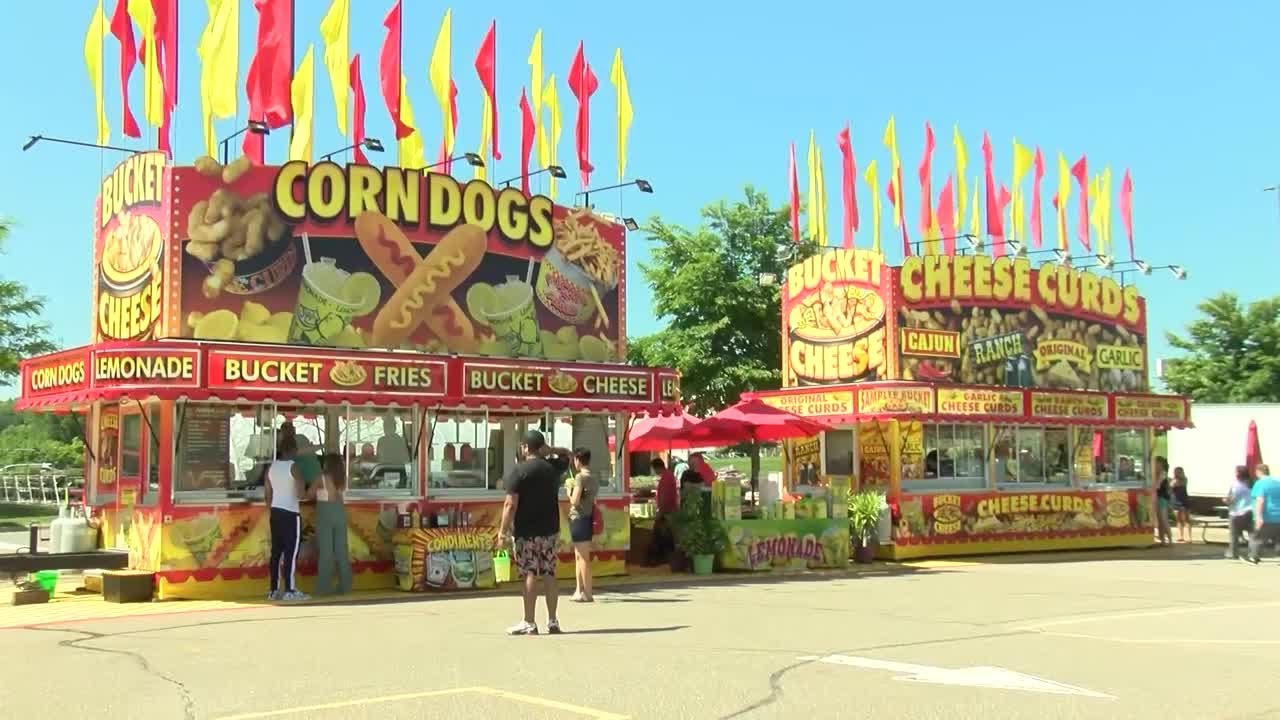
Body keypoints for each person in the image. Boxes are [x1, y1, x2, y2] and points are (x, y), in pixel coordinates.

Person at [497, 429, 563, 635]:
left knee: (530, 573)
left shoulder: (519, 471)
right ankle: (553, 621)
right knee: (550, 573)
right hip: (550, 530)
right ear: (541, 448)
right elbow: (568, 454)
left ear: (525, 447)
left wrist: (502, 532)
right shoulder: (553, 468)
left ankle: (529, 622)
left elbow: (510, 505)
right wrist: (550, 450)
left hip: (527, 532)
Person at [265, 430, 312, 601]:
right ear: (294, 450)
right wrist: (312, 491)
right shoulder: (294, 467)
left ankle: (273, 590)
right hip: (291, 514)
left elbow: (267, 494)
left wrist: (274, 507)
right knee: (291, 553)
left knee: (276, 553)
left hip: (275, 513)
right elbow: (301, 495)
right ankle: (290, 590)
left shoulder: (272, 467)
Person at [313, 452, 352, 596]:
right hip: (340, 512)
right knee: (342, 552)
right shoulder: (342, 479)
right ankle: (345, 586)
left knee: (326, 552)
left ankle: (323, 587)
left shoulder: (320, 478)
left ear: (326, 464)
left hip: (325, 514)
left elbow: (308, 494)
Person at [566, 448, 598, 603]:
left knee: (583, 557)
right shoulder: (594, 477)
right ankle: (579, 590)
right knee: (579, 555)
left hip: (578, 518)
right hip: (588, 517)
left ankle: (588, 592)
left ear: (578, 460)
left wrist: (568, 491)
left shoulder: (580, 477)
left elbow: (574, 501)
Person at [1246, 463, 1280, 564]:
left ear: (1258, 472)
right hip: (1278, 516)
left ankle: (1253, 557)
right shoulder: (1277, 483)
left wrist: (1258, 517)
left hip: (1267, 516)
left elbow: (1260, 500)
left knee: (1257, 538)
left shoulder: (1260, 484)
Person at [1225, 465, 1254, 560]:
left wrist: (1226, 501)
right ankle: (1253, 553)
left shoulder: (1236, 485)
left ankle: (1233, 553)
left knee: (1234, 535)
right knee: (1252, 534)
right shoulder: (1252, 484)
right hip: (1250, 511)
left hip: (1236, 512)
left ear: (1238, 474)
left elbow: (1232, 499)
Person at [1154, 456, 1173, 545]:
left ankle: (1169, 539)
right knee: (1159, 520)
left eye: (1156, 463)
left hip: (1162, 498)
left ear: (1161, 464)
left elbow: (1157, 485)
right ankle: (1162, 539)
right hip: (1158, 497)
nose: (1155, 465)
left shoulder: (1163, 473)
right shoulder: (1157, 473)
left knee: (1163, 519)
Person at [1171, 466, 1191, 542]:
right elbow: (1171, 486)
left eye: (1179, 472)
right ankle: (1180, 535)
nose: (1177, 473)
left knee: (1186, 519)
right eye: (1175, 472)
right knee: (1178, 519)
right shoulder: (1173, 480)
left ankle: (1189, 536)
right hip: (1175, 500)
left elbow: (1178, 484)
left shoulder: (1184, 479)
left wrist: (1176, 481)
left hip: (1184, 500)